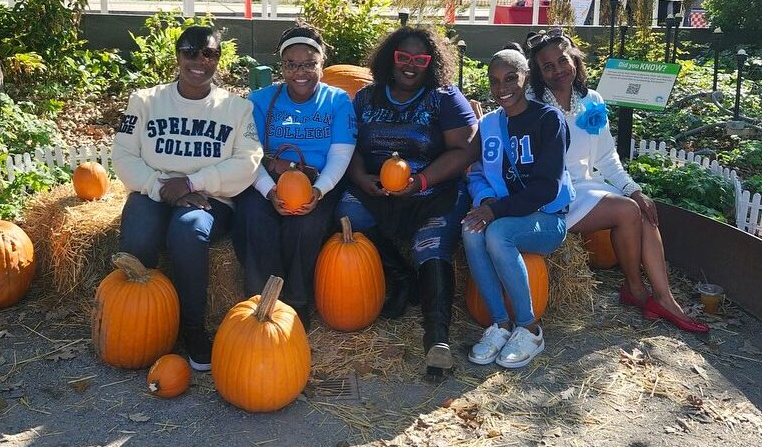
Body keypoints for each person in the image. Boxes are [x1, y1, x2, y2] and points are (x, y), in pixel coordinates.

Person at [524, 28, 708, 333]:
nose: (558, 70)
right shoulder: (532, 104)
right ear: (539, 73)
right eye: (548, 66)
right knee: (627, 211)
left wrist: (633, 190)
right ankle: (635, 289)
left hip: (586, 186)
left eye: (563, 60)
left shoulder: (592, 100)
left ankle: (664, 298)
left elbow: (607, 158)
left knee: (643, 210)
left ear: (575, 59)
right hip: (552, 193)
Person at [111, 26, 263, 371]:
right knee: (139, 237)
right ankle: (142, 328)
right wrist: (162, 187)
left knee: (188, 231)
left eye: (209, 53)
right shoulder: (144, 101)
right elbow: (123, 155)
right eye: (190, 52)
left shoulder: (236, 108)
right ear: (178, 56)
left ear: (218, 59)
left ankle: (192, 329)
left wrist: (192, 183)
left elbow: (249, 161)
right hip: (152, 190)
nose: (199, 60)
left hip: (208, 198)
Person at [338, 26, 479, 379]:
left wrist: (422, 181)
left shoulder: (444, 98)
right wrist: (360, 177)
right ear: (391, 59)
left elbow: (465, 150)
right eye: (403, 57)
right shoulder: (366, 98)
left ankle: (437, 338)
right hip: (377, 191)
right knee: (344, 215)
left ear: (432, 63)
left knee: (431, 245)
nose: (410, 65)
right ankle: (401, 276)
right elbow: (349, 146)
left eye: (420, 59)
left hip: (433, 192)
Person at [231, 27, 357, 329]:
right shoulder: (260, 100)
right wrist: (267, 190)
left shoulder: (338, 101)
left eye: (309, 64)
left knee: (305, 224)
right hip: (268, 179)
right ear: (282, 66)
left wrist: (319, 190)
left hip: (317, 181)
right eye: (291, 64)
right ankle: (261, 301)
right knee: (254, 216)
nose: (300, 72)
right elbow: (248, 154)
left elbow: (341, 155)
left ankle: (298, 300)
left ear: (322, 64)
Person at [462, 47, 574, 368]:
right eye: (495, 81)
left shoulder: (548, 120)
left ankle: (529, 328)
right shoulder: (489, 125)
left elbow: (547, 187)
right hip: (503, 213)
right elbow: (477, 173)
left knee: (497, 233)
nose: (502, 88)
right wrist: (485, 200)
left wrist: (495, 211)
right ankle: (500, 324)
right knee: (470, 231)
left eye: (511, 78)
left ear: (526, 77)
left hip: (547, 219)